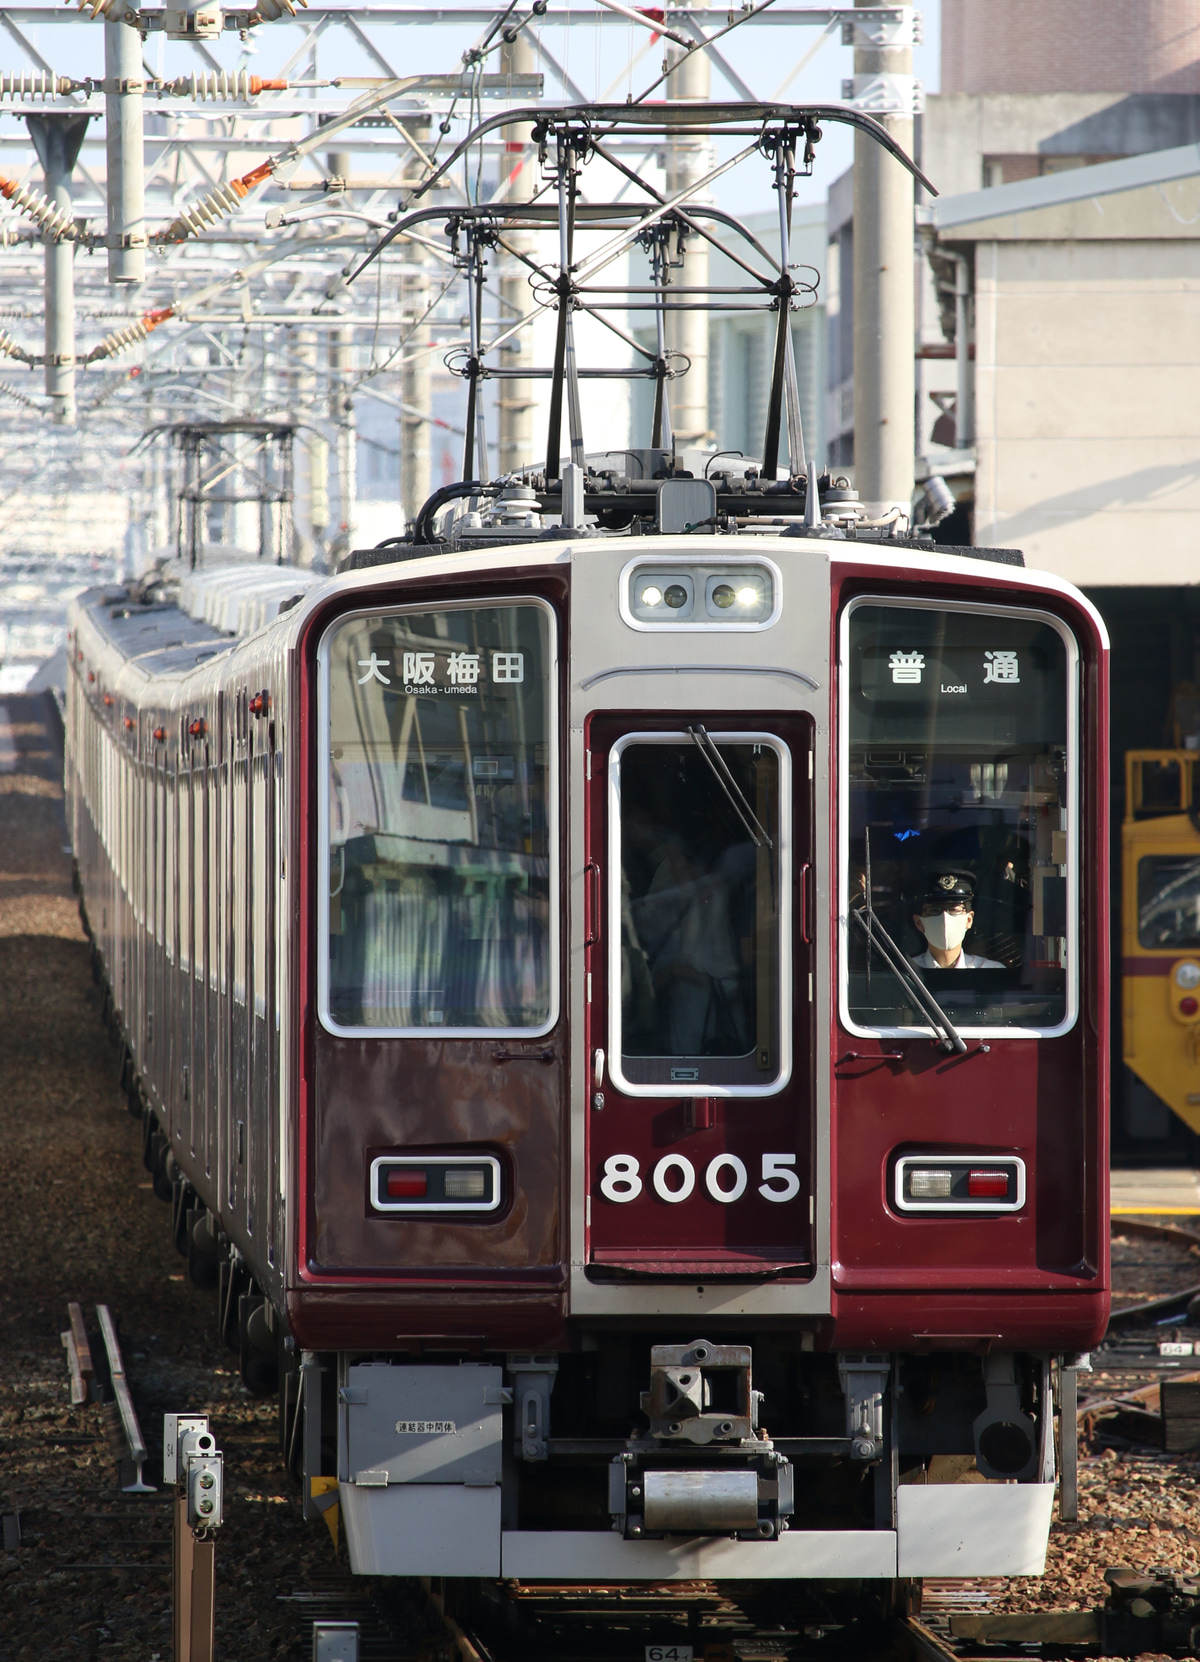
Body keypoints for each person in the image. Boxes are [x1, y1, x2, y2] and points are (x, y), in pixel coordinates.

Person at [911, 870, 1004, 970]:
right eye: (934, 910)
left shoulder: (990, 972)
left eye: (954, 910)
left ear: (969, 920)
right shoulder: (903, 973)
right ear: (919, 922)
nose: (945, 918)